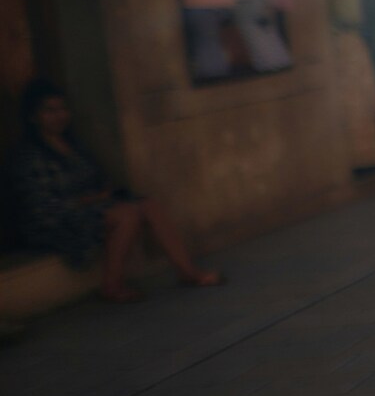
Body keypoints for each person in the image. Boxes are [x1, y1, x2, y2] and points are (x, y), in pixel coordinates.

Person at [7, 79, 223, 302]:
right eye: (49, 111)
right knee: (126, 215)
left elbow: (96, 179)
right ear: (33, 117)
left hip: (89, 208)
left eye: (62, 108)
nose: (59, 115)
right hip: (54, 223)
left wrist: (103, 194)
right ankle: (111, 285)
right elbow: (40, 208)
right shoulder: (29, 157)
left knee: (148, 205)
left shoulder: (73, 145)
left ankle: (187, 271)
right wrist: (89, 200)